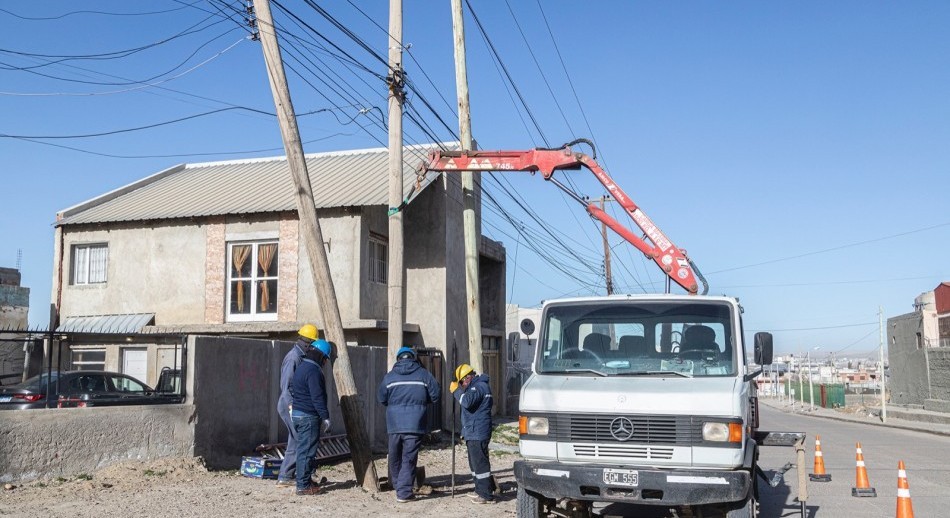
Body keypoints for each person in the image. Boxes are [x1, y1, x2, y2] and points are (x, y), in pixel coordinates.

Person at [377, 346, 441, 503]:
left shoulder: (389, 377)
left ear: (398, 359)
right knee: (408, 457)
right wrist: (422, 402)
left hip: (394, 424)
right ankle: (404, 492)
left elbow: (382, 398)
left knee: (394, 456)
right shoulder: (424, 375)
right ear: (413, 358)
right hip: (415, 423)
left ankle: (400, 486)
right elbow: (435, 394)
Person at [275, 324, 318, 487]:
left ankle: (288, 475)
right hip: (289, 404)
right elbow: (286, 386)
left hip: (293, 403)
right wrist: (292, 406)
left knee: (296, 439)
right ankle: (288, 476)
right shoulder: (294, 358)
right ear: (308, 342)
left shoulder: (301, 356)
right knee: (300, 439)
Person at [290, 338, 333, 496]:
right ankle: (302, 486)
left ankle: (305, 480)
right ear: (321, 356)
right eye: (326, 360)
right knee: (307, 452)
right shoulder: (314, 371)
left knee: (303, 450)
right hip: (308, 416)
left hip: (298, 414)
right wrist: (325, 416)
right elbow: (317, 397)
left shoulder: (302, 367)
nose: (325, 363)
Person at [450, 363, 495, 504]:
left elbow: (467, 402)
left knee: (480, 464)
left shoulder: (479, 386)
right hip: (474, 431)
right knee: (475, 463)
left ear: (468, 377)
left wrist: (456, 391)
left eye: (462, 381)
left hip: (478, 431)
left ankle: (486, 495)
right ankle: (480, 489)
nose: (462, 384)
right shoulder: (478, 386)